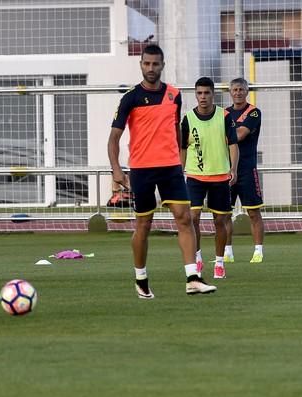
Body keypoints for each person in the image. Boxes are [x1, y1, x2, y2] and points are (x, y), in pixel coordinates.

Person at [107, 44, 216, 298]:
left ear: (162, 65)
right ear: (141, 65)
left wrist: (180, 157)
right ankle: (141, 278)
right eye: (147, 63)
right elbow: (113, 139)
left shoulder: (174, 95)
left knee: (184, 218)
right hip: (142, 169)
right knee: (143, 224)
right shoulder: (130, 98)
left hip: (170, 168)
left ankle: (193, 278)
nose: (151, 68)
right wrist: (117, 171)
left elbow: (175, 128)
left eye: (156, 64)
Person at [180, 77, 239, 280]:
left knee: (219, 221)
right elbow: (182, 147)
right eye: (199, 93)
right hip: (195, 175)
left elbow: (233, 144)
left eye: (206, 93)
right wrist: (180, 171)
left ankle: (220, 262)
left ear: (213, 94)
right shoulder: (188, 119)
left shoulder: (224, 116)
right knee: (192, 218)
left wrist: (234, 169)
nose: (203, 97)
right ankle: (197, 258)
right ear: (195, 94)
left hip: (220, 176)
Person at [224, 78, 264, 263]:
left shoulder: (254, 112)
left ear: (246, 91)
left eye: (241, 89)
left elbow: (240, 134)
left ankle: (258, 251)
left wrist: (220, 137)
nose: (238, 92)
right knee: (224, 213)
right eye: (234, 89)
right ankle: (227, 252)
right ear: (230, 92)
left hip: (247, 168)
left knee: (254, 212)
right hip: (226, 169)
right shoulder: (224, 113)